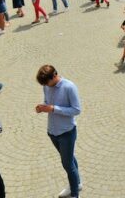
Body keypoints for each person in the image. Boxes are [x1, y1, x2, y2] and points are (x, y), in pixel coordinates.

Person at [35, 65, 82, 198]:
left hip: (66, 132)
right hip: (52, 131)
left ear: (54, 76)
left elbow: (76, 110)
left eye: (47, 83)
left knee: (67, 164)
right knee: (70, 159)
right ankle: (77, 183)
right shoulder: (46, 86)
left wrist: (54, 109)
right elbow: (47, 103)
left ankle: (74, 194)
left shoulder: (69, 87)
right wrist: (42, 107)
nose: (46, 87)